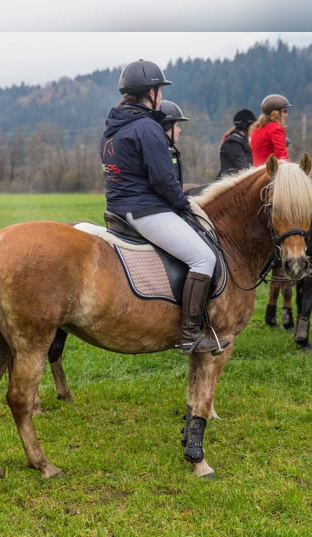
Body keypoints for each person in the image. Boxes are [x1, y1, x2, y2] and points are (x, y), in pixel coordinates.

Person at [100, 60, 229, 355]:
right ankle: (190, 333)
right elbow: (162, 179)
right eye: (159, 89)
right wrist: (184, 205)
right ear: (151, 92)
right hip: (146, 211)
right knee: (203, 259)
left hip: (118, 209)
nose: (160, 95)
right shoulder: (147, 127)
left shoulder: (113, 127)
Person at [250, 94, 291, 166]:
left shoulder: (256, 129)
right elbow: (282, 156)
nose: (286, 114)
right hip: (270, 172)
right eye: (284, 111)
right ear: (276, 113)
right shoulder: (276, 128)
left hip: (257, 172)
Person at [216, 108, 256, 179]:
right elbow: (243, 166)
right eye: (253, 125)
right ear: (246, 126)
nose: (255, 128)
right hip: (228, 180)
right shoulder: (233, 143)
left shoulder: (243, 141)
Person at [158, 99, 189, 186]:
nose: (180, 130)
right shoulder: (160, 153)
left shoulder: (170, 150)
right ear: (166, 126)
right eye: (177, 125)